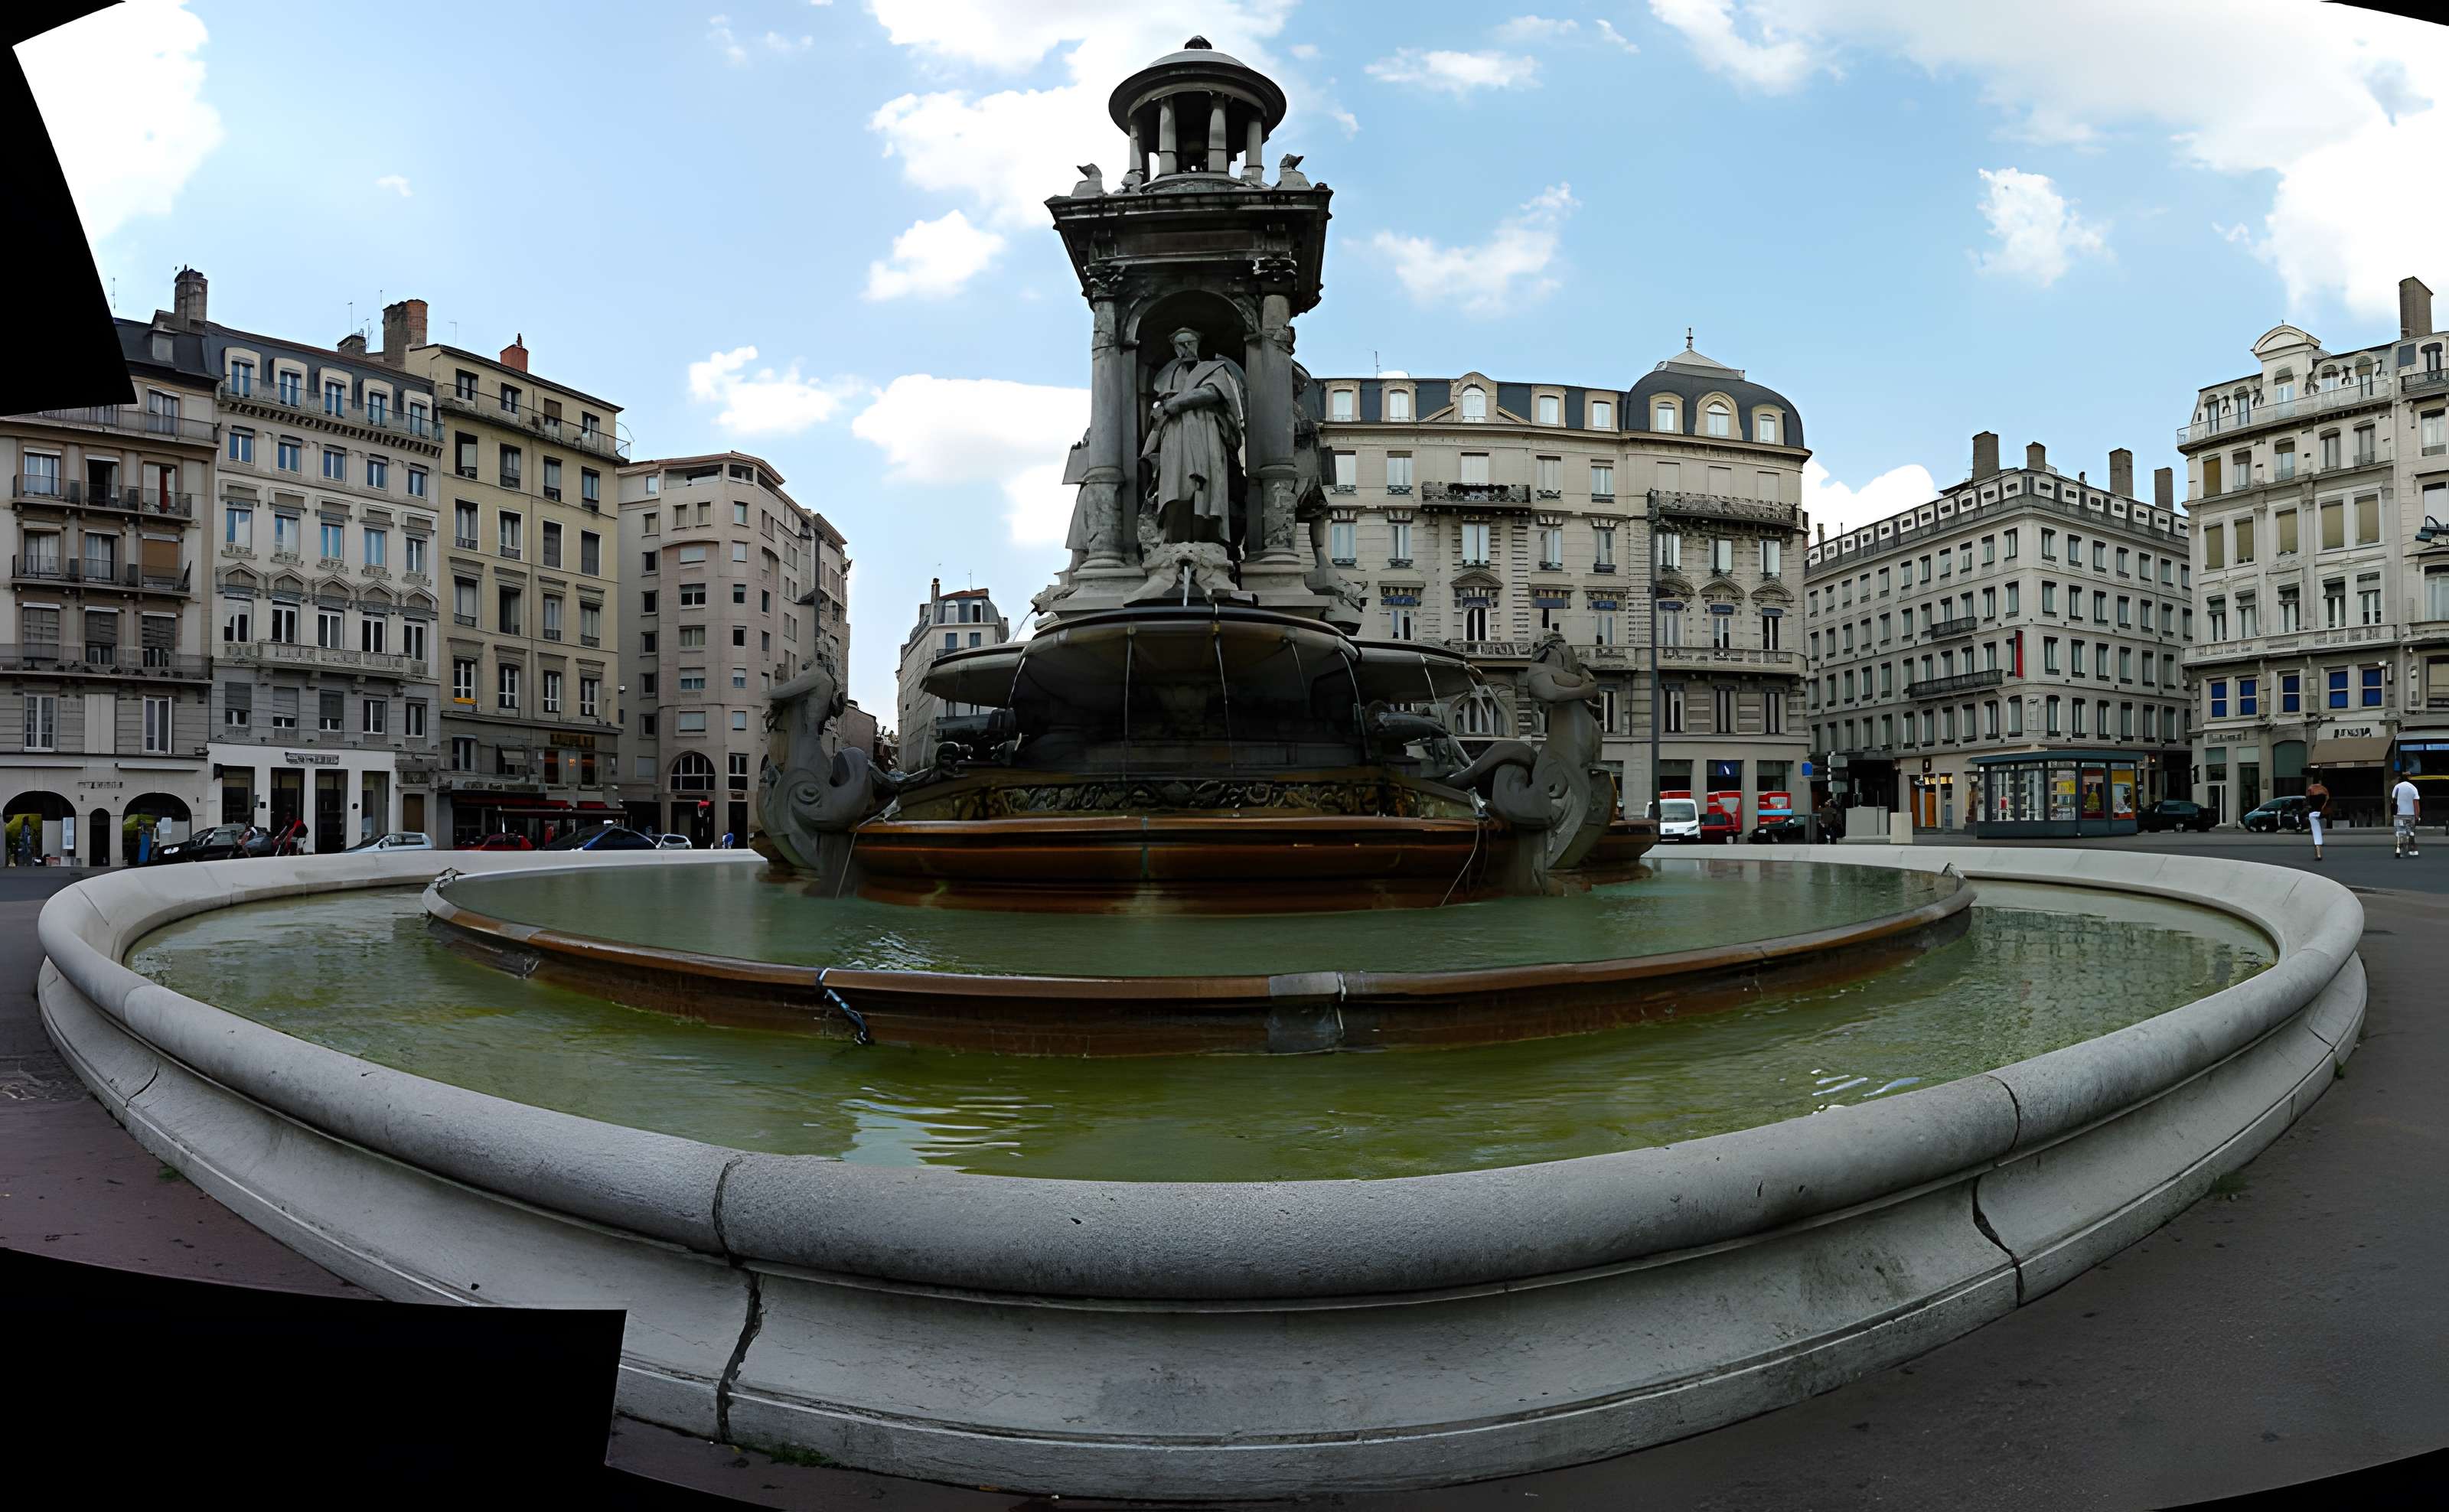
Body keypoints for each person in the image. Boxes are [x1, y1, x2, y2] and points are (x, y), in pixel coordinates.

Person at [2392, 771, 2422, 859]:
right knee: (2411, 833)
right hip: (2410, 815)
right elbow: (2416, 803)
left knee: (2400, 833)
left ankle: (2399, 850)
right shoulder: (2413, 788)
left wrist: (2393, 814)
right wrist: (2417, 816)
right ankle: (2412, 850)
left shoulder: (2397, 787)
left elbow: (2393, 801)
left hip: (2399, 815)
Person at [2303, 774, 2330, 862]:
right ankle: (2319, 850)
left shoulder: (2310, 789)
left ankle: (2318, 854)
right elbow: (2328, 800)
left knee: (2316, 833)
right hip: (2322, 813)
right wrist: (2323, 807)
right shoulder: (2324, 790)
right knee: (2320, 832)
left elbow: (2307, 802)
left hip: (2313, 814)